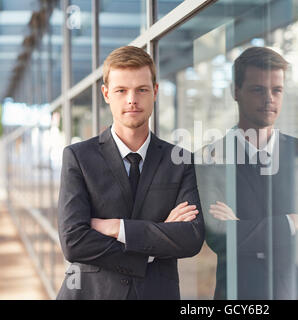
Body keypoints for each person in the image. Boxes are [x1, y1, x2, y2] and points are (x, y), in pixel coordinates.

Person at [56, 46, 204, 300]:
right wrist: (153, 243)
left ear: (155, 92)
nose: (131, 99)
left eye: (141, 90)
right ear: (106, 94)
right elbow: (73, 241)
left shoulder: (180, 161)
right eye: (121, 90)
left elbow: (191, 238)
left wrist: (117, 227)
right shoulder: (78, 157)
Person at [196, 46, 298, 299]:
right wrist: (290, 222)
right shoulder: (209, 158)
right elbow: (220, 236)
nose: (269, 99)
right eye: (258, 90)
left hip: (297, 291)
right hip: (239, 296)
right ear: (235, 92)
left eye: (277, 90)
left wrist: (244, 228)